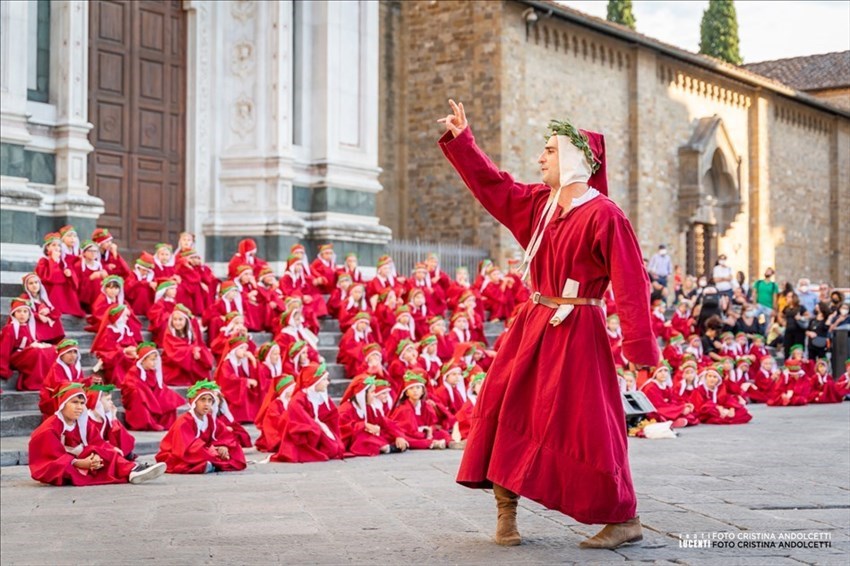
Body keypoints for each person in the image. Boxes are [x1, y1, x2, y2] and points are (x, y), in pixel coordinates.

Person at [438, 101, 658, 548]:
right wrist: (465, 142)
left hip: (579, 329)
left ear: (576, 159)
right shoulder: (539, 205)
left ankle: (623, 518)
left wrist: (640, 353)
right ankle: (506, 514)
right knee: (505, 408)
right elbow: (493, 187)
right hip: (533, 323)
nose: (540, 158)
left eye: (550, 151)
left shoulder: (605, 215)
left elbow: (632, 287)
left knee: (591, 426)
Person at [29, 382, 166, 485]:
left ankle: (131, 470)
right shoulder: (49, 429)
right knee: (98, 455)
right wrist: (79, 463)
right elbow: (50, 459)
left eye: (82, 403)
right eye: (74, 402)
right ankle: (131, 470)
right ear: (63, 404)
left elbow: (97, 441)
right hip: (56, 467)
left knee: (102, 451)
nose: (79, 407)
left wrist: (105, 452)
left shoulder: (82, 423)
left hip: (77, 460)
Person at [155, 380, 247, 473]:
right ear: (194, 402)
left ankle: (210, 463)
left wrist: (223, 446)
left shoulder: (211, 420)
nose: (206, 403)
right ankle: (210, 462)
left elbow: (225, 436)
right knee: (183, 463)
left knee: (235, 452)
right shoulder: (184, 421)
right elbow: (187, 447)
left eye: (210, 400)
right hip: (181, 454)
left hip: (204, 452)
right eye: (202, 399)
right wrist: (211, 451)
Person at [272, 362, 346, 463]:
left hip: (315, 428)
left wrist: (326, 427)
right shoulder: (298, 400)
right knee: (331, 449)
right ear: (315, 382)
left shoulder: (320, 395)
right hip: (303, 434)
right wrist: (318, 426)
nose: (327, 382)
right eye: (324, 380)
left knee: (339, 448)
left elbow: (331, 414)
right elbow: (301, 422)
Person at [120, 342, 186, 431]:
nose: (154, 362)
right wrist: (146, 394)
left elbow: (156, 386)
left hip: (150, 397)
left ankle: (165, 422)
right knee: (137, 394)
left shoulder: (152, 372)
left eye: (155, 359)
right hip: (140, 399)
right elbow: (130, 386)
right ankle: (147, 423)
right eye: (151, 360)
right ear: (143, 360)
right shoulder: (134, 371)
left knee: (168, 396)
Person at [0, 298, 57, 391]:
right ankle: (33, 381)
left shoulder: (28, 327)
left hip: (27, 353)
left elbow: (31, 342)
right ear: (13, 313)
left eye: (25, 311)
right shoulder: (10, 328)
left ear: (29, 314)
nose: (22, 314)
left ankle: (47, 380)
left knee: (52, 349)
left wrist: (43, 345)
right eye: (19, 311)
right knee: (37, 352)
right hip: (16, 356)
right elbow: (4, 349)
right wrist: (3, 369)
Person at [21, 273, 65, 344]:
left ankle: (54, 339)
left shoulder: (43, 297)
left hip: (44, 317)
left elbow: (52, 308)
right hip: (33, 319)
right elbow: (24, 311)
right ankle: (41, 339)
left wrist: (48, 310)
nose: (34, 285)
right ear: (27, 286)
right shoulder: (25, 297)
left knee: (55, 319)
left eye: (36, 282)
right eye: (31, 283)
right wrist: (38, 316)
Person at [780, 292, 809, 357]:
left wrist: (801, 318)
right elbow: (781, 315)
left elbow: (808, 316)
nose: (787, 298)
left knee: (798, 348)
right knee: (787, 348)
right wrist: (783, 322)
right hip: (788, 330)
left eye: (789, 297)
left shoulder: (801, 307)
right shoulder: (786, 307)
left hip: (799, 331)